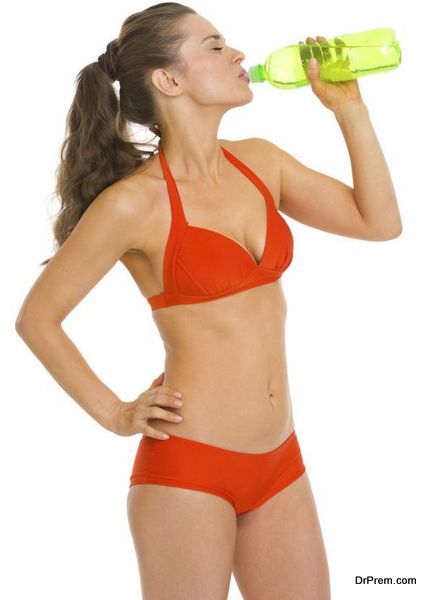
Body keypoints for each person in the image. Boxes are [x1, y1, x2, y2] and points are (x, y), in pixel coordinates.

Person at [15, 3, 402, 599]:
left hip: (281, 462)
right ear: (168, 80)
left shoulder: (260, 162)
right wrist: (116, 412)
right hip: (188, 469)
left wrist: (349, 110)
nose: (239, 54)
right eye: (216, 45)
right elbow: (37, 319)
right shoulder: (132, 205)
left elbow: (378, 223)